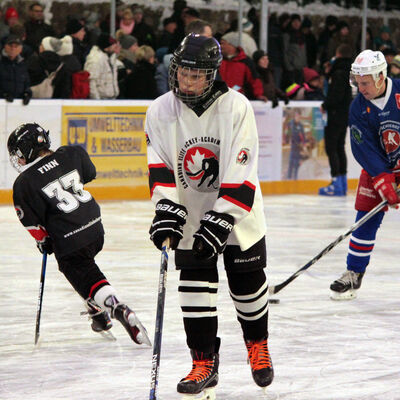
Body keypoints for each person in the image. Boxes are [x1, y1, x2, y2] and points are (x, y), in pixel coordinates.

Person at [146, 34, 273, 398]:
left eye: (195, 75)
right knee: (194, 289)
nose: (186, 81)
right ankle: (204, 361)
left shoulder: (236, 107)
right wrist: (167, 207)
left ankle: (257, 344)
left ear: (211, 74)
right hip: (190, 211)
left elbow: (241, 167)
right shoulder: (160, 109)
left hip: (239, 211)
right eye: (182, 73)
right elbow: (159, 166)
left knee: (247, 284)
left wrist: (223, 217)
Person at [7, 122, 151, 345]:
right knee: (83, 269)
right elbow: (89, 174)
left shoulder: (24, 183)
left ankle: (117, 308)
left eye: (18, 154)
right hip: (95, 227)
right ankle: (97, 312)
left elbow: (33, 225)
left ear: (26, 151)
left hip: (70, 236)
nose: (18, 160)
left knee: (77, 268)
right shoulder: (72, 153)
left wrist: (44, 242)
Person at [330, 50, 400, 300]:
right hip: (378, 168)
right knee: (364, 219)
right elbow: (362, 146)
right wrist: (381, 175)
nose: (361, 89)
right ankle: (353, 273)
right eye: (357, 83)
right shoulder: (359, 107)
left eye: (366, 83)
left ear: (381, 76)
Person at [319, 43, 353, 196]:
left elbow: (335, 95)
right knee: (339, 147)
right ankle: (342, 182)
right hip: (345, 114)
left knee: (332, 147)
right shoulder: (350, 72)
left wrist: (326, 105)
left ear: (338, 54)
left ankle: (336, 183)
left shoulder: (339, 72)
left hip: (335, 114)